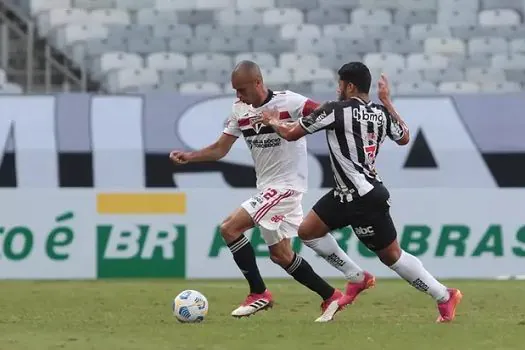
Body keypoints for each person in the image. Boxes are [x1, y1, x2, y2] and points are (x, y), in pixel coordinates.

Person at [261, 62, 463, 323]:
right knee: (308, 231)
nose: (337, 89)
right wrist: (387, 102)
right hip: (345, 193)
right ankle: (356, 277)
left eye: (340, 84)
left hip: (364, 198)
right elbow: (403, 137)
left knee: (391, 256)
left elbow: (290, 133)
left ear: (350, 86)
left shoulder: (335, 110)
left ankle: (444, 296)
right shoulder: (380, 113)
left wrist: (273, 121)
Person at [170, 60, 352, 322]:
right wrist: (189, 156)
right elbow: (220, 149)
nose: (238, 96)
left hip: (286, 187)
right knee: (281, 255)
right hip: (268, 188)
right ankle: (330, 296)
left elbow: (327, 113)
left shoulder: (290, 102)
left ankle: (258, 293)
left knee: (229, 228)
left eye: (242, 90)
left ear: (258, 83)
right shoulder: (239, 110)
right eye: (235, 90)